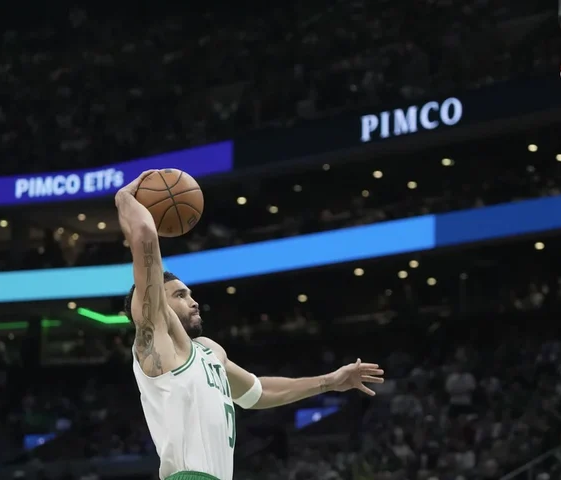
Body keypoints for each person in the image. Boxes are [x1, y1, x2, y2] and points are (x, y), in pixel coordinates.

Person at [116, 171, 385, 480]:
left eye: (191, 293)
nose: (193, 301)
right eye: (179, 295)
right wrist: (124, 199)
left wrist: (330, 381)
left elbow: (257, 392)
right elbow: (145, 238)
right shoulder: (155, 344)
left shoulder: (208, 351)